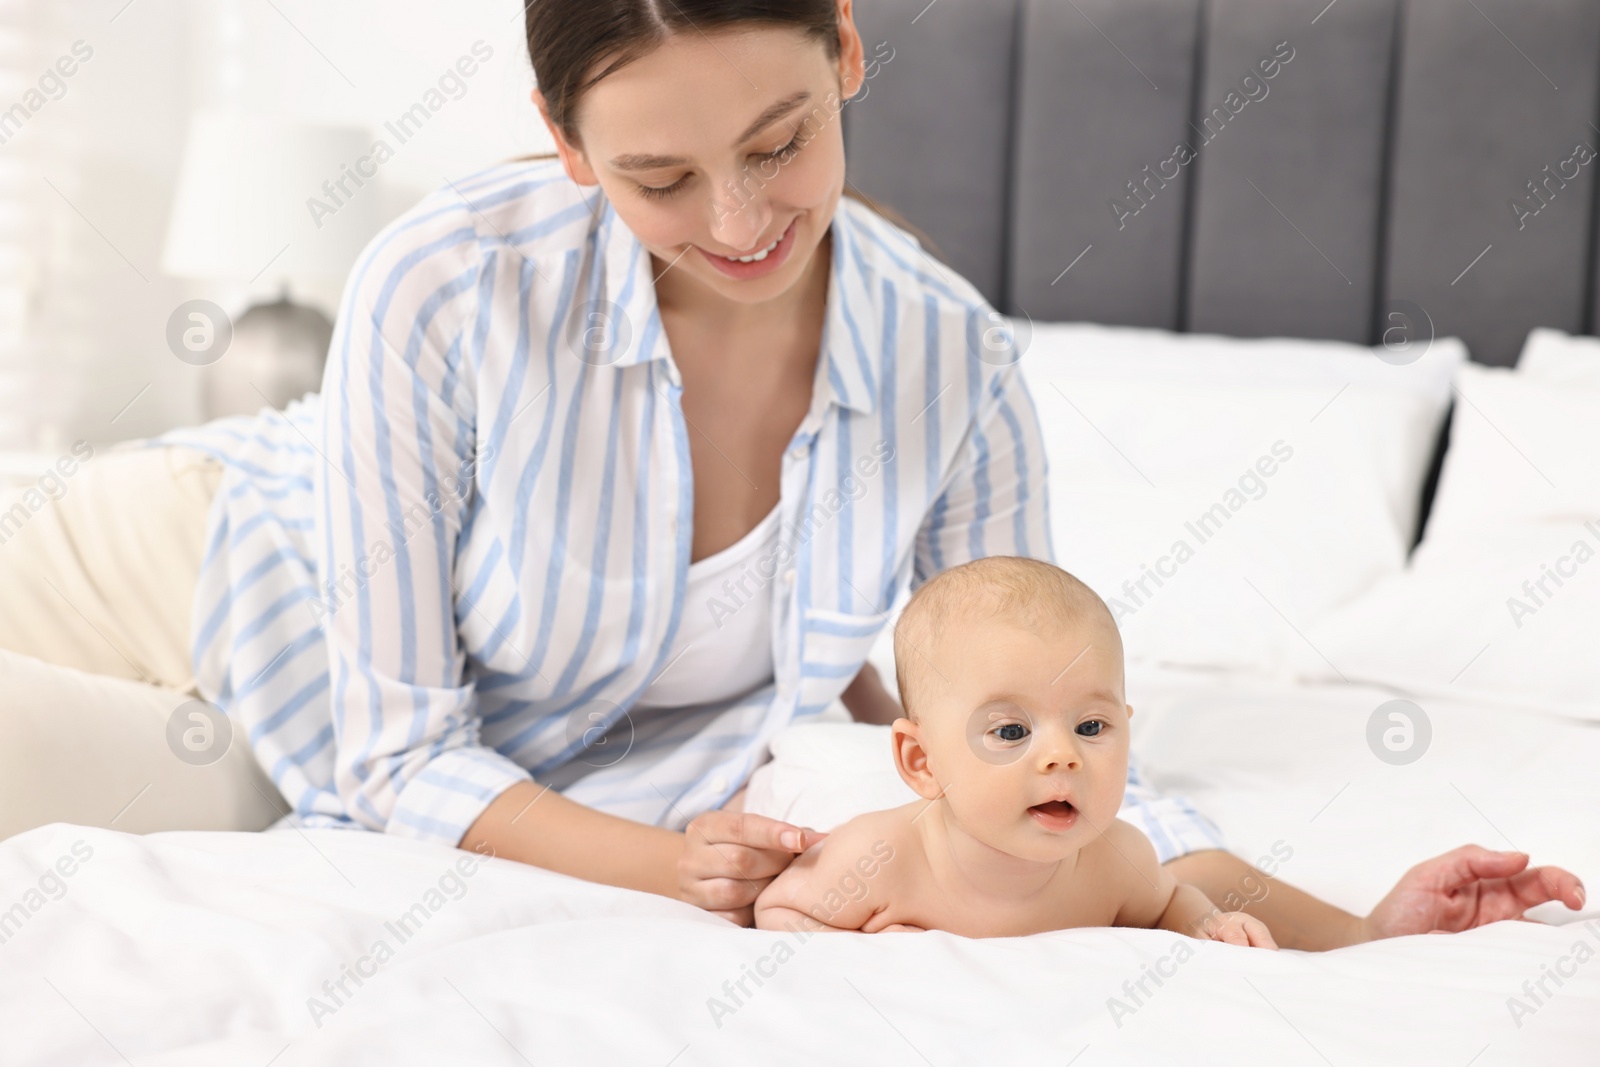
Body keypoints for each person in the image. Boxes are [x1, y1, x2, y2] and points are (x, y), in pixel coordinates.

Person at [0, 0, 1578, 945]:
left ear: (845, 46)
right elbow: (398, 751)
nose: (744, 218)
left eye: (782, 140)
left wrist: (1352, 930)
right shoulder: (448, 280)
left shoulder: (950, 365)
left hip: (343, 759)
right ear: (561, 142)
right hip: (190, 574)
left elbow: (1035, 742)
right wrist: (681, 867)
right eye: (660, 178)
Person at [753, 557, 1581, 946]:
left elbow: (1166, 902)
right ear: (922, 763)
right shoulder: (878, 857)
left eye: (1091, 726)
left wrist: (1213, 926)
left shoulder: (1115, 856)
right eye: (1010, 731)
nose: (1061, 757)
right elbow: (778, 909)